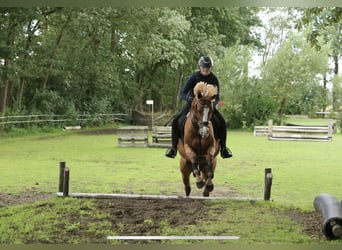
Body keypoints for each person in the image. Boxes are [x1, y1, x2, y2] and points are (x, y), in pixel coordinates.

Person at [165, 56, 233, 159]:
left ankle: (223, 148)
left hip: (208, 108)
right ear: (200, 67)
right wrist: (189, 99)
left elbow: (217, 97)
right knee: (176, 121)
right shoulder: (194, 77)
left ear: (211, 68)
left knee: (222, 122)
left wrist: (213, 105)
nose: (206, 69)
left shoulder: (214, 78)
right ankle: (173, 148)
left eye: (208, 67)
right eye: (204, 67)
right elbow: (182, 93)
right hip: (193, 106)